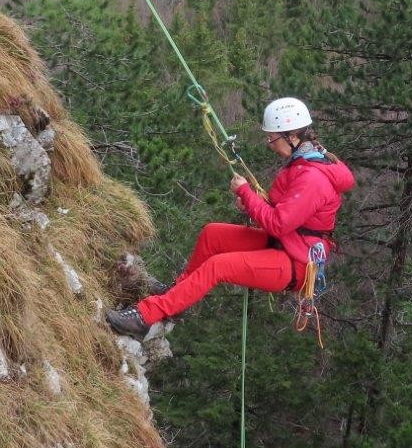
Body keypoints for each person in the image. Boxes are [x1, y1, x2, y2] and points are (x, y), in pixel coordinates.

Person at [106, 97, 355, 340]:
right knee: (213, 234)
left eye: (272, 137)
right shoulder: (304, 162)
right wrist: (250, 202)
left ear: (292, 136)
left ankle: (144, 316)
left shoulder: (312, 177)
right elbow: (287, 213)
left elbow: (279, 223)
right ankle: (177, 296)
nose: (269, 143)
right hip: (288, 245)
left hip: (296, 263)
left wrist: (246, 193)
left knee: (219, 266)